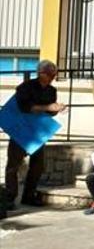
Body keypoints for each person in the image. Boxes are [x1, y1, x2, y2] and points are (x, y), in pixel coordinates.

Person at [4, 60, 65, 209]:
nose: (52, 77)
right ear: (41, 73)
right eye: (50, 74)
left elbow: (49, 113)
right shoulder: (26, 87)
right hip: (21, 130)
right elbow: (24, 107)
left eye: (54, 74)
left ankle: (28, 196)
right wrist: (47, 107)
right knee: (13, 165)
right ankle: (10, 197)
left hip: (37, 132)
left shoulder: (51, 91)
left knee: (38, 165)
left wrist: (56, 109)